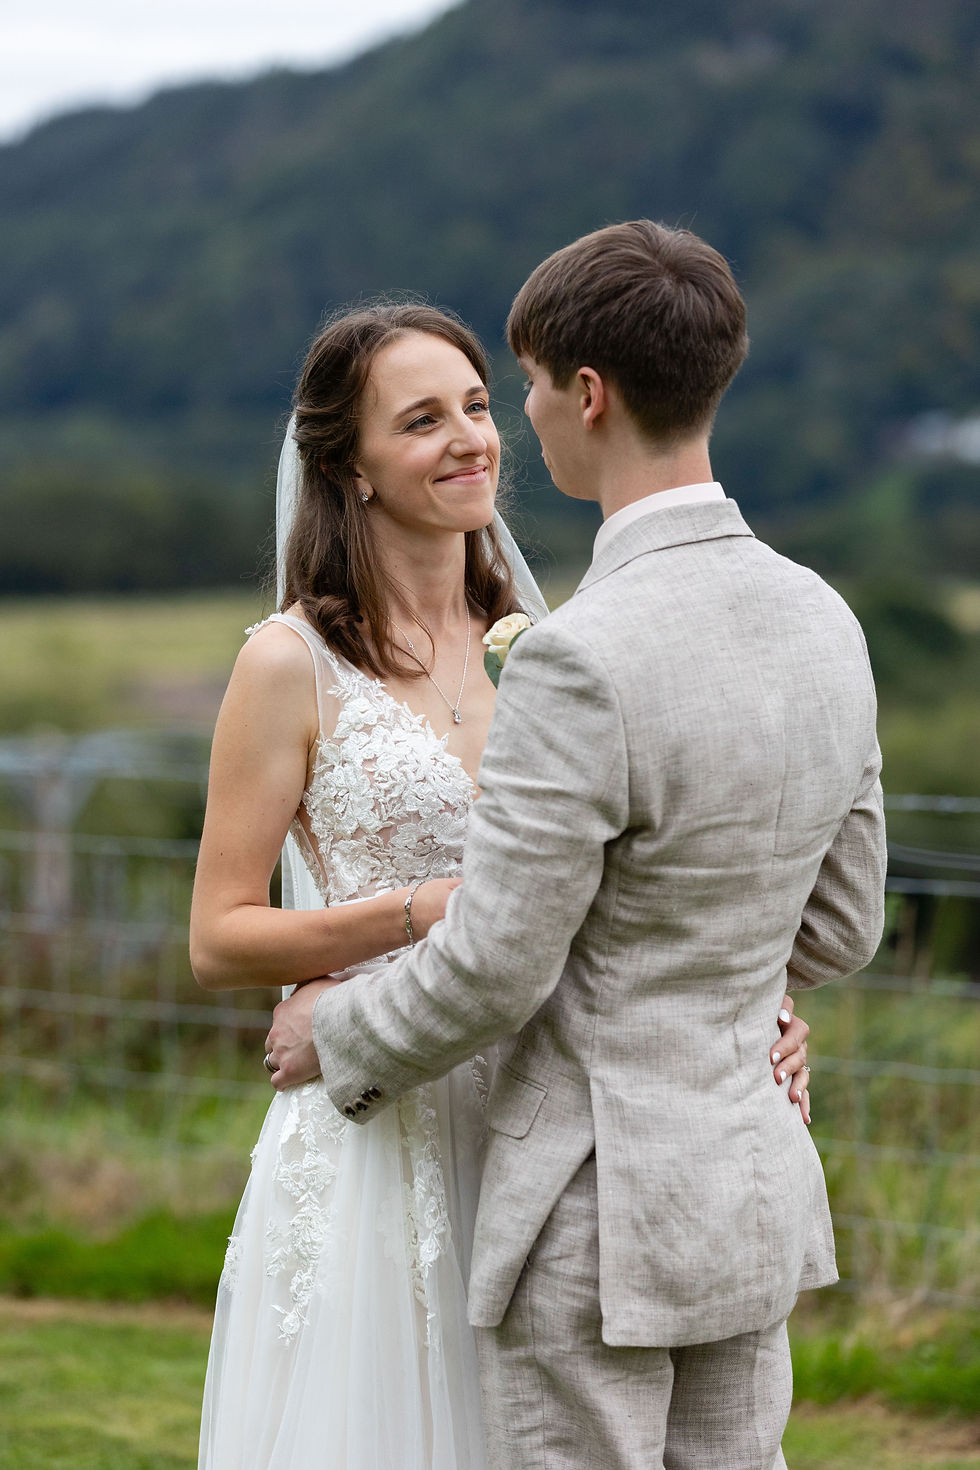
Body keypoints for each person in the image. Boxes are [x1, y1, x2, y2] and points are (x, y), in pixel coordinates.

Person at [268, 226, 887, 1470]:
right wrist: (733, 1001)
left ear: (587, 396)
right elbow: (839, 925)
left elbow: (499, 963)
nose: (525, 420)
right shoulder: (823, 618)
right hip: (746, 1181)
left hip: (593, 1215)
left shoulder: (579, 656)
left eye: (531, 387)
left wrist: (332, 1034)